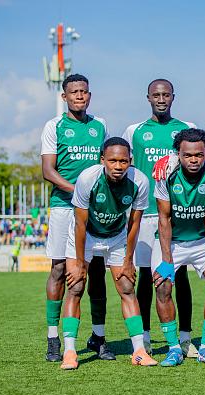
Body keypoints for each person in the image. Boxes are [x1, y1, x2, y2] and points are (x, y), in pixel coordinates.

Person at [60, 137, 156, 370]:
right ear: (102, 159)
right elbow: (80, 224)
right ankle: (69, 352)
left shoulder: (140, 181)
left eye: (123, 161)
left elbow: (134, 223)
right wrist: (80, 262)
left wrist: (128, 260)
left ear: (130, 161)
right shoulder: (88, 178)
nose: (118, 166)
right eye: (113, 161)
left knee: (127, 287)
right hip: (86, 235)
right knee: (75, 286)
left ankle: (139, 351)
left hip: (116, 236)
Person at [40, 74, 114, 362]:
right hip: (63, 206)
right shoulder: (54, 126)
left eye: (84, 91)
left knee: (96, 270)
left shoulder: (100, 125)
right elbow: (48, 171)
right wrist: (79, 191)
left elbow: (106, 163)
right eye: (74, 92)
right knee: (59, 269)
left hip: (94, 210)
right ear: (65, 97)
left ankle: (98, 337)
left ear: (89, 95)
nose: (79, 96)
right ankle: (53, 338)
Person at [122, 78, 198, 357]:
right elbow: (125, 166)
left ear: (173, 97)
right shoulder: (135, 131)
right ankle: (145, 337)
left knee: (181, 276)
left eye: (166, 95)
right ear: (149, 98)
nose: (161, 99)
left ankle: (186, 338)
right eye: (156, 95)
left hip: (177, 213)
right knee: (146, 276)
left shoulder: (186, 128)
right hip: (145, 213)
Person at [151, 128, 205, 366]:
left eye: (198, 155)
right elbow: (164, 218)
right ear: (178, 154)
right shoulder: (165, 172)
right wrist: (166, 260)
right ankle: (174, 348)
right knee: (162, 286)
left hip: (202, 241)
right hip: (171, 241)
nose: (193, 160)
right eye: (187, 155)